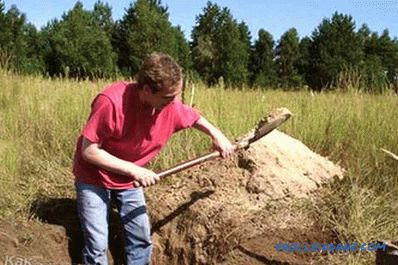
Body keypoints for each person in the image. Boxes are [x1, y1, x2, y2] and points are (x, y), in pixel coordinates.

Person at [72, 52, 234, 265]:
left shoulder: (170, 106)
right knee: (97, 244)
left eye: (177, 95)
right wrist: (134, 170)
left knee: (140, 237)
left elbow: (194, 117)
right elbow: (89, 151)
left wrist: (217, 135)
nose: (175, 101)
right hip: (94, 175)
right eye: (168, 97)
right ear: (147, 90)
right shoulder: (111, 102)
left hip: (129, 178)